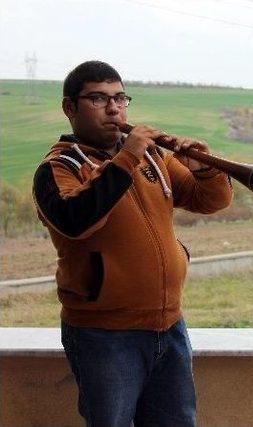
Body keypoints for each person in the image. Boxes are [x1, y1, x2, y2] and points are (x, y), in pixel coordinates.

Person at [33, 60, 233, 426]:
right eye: (98, 98)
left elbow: (209, 201)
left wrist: (203, 168)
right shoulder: (58, 168)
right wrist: (128, 157)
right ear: (69, 108)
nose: (114, 108)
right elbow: (78, 221)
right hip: (104, 334)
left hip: (169, 324)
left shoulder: (153, 157)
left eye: (120, 98)